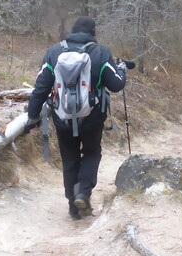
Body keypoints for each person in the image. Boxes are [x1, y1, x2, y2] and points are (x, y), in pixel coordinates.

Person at [24, 16, 130, 220]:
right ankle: (83, 191)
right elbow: (116, 84)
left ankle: (73, 206)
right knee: (91, 153)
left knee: (70, 158)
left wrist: (32, 117)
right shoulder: (101, 53)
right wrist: (122, 69)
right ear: (93, 33)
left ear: (72, 32)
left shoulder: (53, 53)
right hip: (92, 117)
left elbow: (40, 88)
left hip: (62, 116)